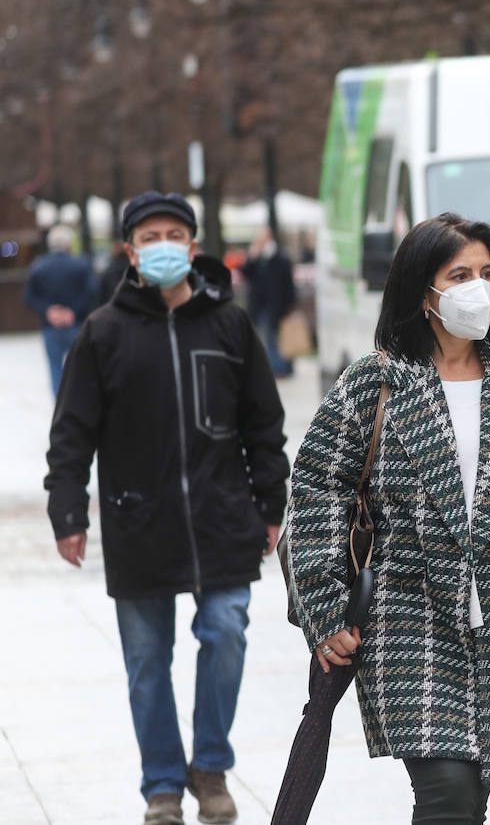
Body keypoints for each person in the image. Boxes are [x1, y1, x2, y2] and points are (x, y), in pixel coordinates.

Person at [285, 213, 490, 824]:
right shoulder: (374, 383)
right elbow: (316, 494)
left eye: (487, 274)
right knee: (448, 793)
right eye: (459, 275)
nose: (477, 288)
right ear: (422, 290)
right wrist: (325, 611)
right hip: (407, 622)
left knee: (471, 796)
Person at [45, 191, 289, 825]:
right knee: (148, 663)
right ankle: (161, 785)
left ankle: (209, 768)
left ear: (193, 244)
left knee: (227, 632)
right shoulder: (105, 333)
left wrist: (272, 500)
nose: (161, 246)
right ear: (130, 251)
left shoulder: (230, 325)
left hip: (222, 517)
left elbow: (263, 422)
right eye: (148, 236)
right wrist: (68, 511)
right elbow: (71, 431)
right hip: (138, 522)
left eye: (172, 234)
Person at [24, 223, 99, 395]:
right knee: (81, 369)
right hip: (76, 324)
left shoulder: (39, 266)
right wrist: (72, 311)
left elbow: (29, 296)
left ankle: (60, 407)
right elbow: (92, 291)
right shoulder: (81, 264)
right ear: (69, 243)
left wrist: (49, 311)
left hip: (51, 326)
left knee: (55, 369)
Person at [239, 227, 298, 377]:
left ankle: (280, 368)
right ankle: (274, 367)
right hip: (260, 305)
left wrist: (291, 303)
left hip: (277, 306)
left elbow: (288, 282)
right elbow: (246, 273)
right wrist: (251, 257)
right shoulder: (257, 256)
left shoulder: (279, 256)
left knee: (278, 338)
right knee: (267, 337)